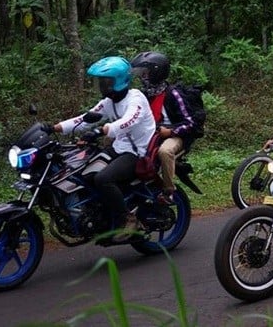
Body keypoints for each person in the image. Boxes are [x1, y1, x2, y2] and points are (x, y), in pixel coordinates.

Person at [53, 56, 156, 241]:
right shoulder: (109, 101)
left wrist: (101, 130)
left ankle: (129, 219)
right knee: (83, 173)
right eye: (100, 82)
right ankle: (102, 216)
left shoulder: (136, 99)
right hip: (119, 148)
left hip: (138, 152)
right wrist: (55, 127)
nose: (102, 86)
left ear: (119, 80)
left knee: (104, 179)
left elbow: (127, 122)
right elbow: (84, 119)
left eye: (106, 81)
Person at [130, 51, 200, 204]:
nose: (142, 77)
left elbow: (190, 123)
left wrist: (171, 131)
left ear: (157, 72)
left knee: (165, 151)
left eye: (145, 73)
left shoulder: (173, 94)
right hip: (152, 134)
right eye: (141, 74)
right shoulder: (144, 95)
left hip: (175, 135)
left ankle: (168, 191)